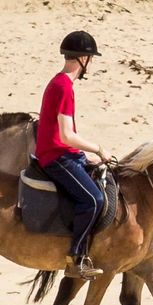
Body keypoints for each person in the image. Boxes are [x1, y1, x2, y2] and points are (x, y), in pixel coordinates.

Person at [35, 30, 115, 279]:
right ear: (83, 59)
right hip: (55, 157)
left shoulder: (60, 83)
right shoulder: (63, 87)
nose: (91, 64)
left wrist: (83, 155)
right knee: (93, 201)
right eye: (91, 58)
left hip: (63, 153)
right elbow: (67, 135)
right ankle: (76, 259)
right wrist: (98, 148)